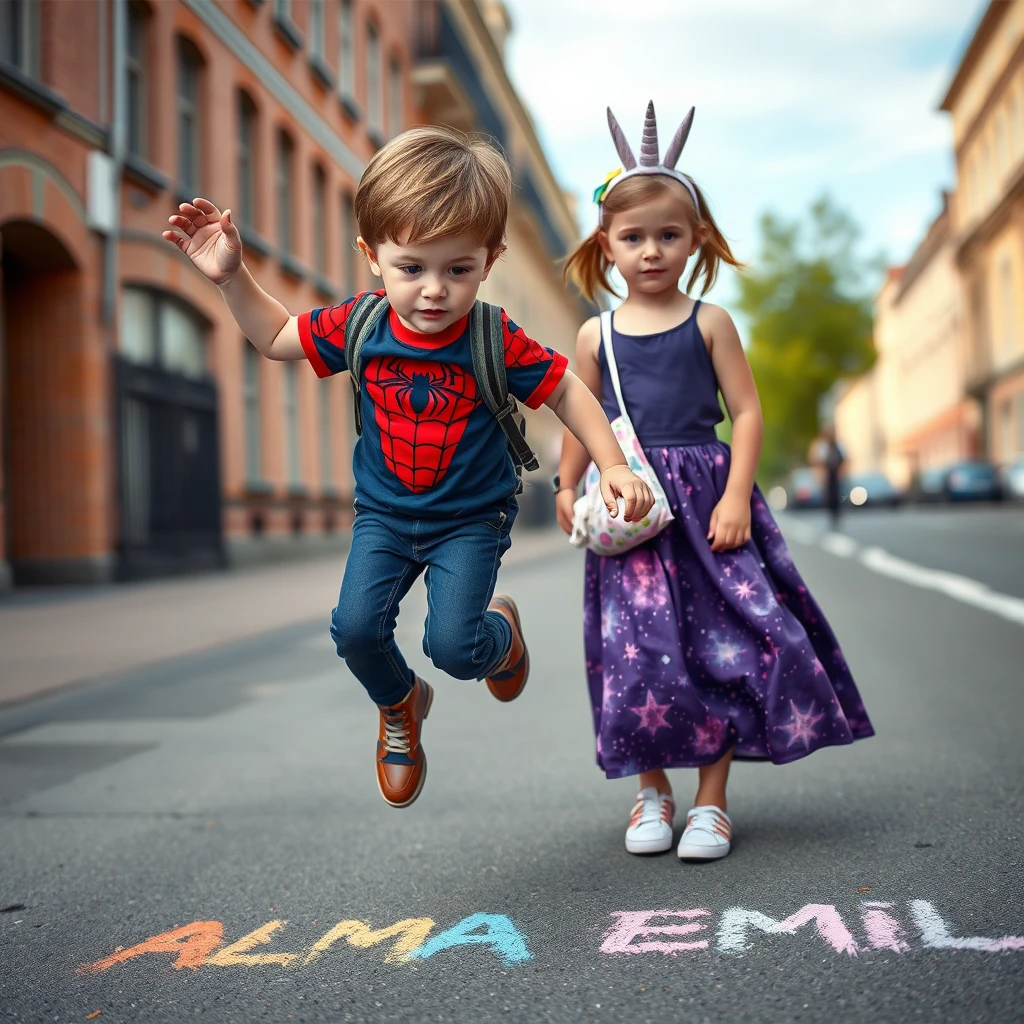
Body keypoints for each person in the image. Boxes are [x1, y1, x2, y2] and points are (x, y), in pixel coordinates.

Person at [164, 126, 654, 809]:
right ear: (372, 256)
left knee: (455, 646)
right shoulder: (361, 326)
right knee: (355, 628)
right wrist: (232, 277)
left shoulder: (492, 335)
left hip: (470, 520)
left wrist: (614, 466)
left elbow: (569, 387)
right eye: (412, 268)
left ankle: (500, 635)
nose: (433, 291)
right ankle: (401, 703)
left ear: (491, 259)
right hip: (386, 517)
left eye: (458, 269)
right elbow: (277, 336)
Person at [555, 102, 874, 861]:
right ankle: (651, 791)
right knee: (639, 655)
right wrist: (569, 489)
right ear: (608, 244)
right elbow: (577, 413)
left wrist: (735, 495)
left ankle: (711, 801)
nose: (652, 251)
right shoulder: (592, 334)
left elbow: (750, 410)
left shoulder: (711, 321)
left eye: (668, 234)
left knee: (726, 644)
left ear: (694, 238)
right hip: (633, 507)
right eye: (633, 238)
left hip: (705, 505)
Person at [810, 425, 846, 531]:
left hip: (836, 473)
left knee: (837, 494)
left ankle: (837, 514)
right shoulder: (822, 446)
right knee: (829, 495)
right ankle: (831, 514)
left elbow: (844, 458)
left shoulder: (838, 445)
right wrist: (820, 472)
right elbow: (817, 460)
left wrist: (842, 470)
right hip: (827, 473)